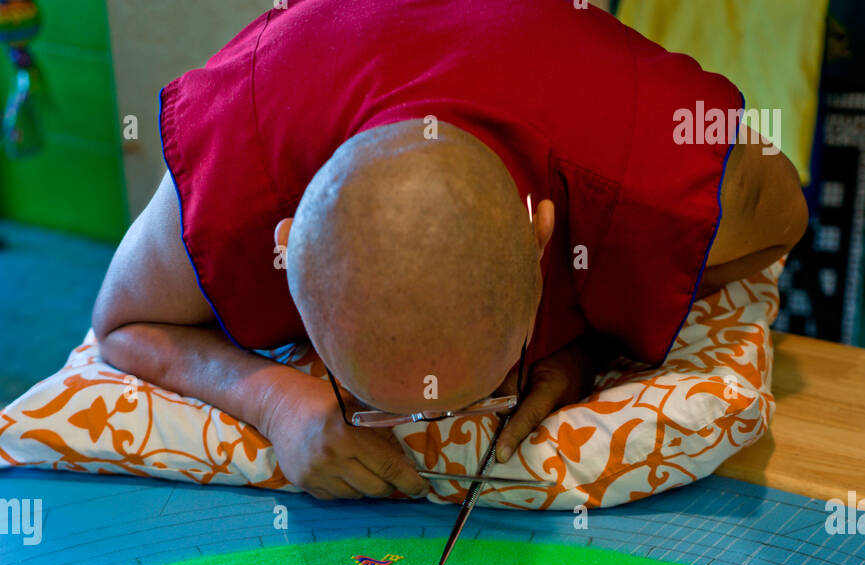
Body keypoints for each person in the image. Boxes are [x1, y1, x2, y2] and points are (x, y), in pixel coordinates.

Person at [93, 0, 807, 502]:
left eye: (484, 390)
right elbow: (120, 324)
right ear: (284, 250)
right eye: (368, 403)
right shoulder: (241, 165)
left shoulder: (645, 167)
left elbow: (787, 221)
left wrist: (585, 347)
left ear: (542, 237)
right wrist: (279, 402)